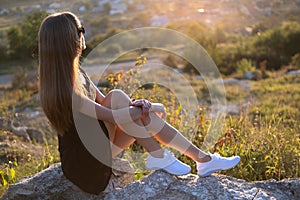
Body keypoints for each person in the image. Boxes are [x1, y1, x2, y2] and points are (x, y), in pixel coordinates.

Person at [38, 11, 240, 195]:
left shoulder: (77, 74)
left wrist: (142, 107)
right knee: (118, 99)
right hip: (87, 168)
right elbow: (112, 116)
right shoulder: (67, 91)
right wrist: (153, 107)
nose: (84, 34)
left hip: (97, 149)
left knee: (117, 98)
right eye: (80, 30)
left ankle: (201, 159)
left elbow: (105, 103)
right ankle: (166, 156)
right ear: (67, 39)